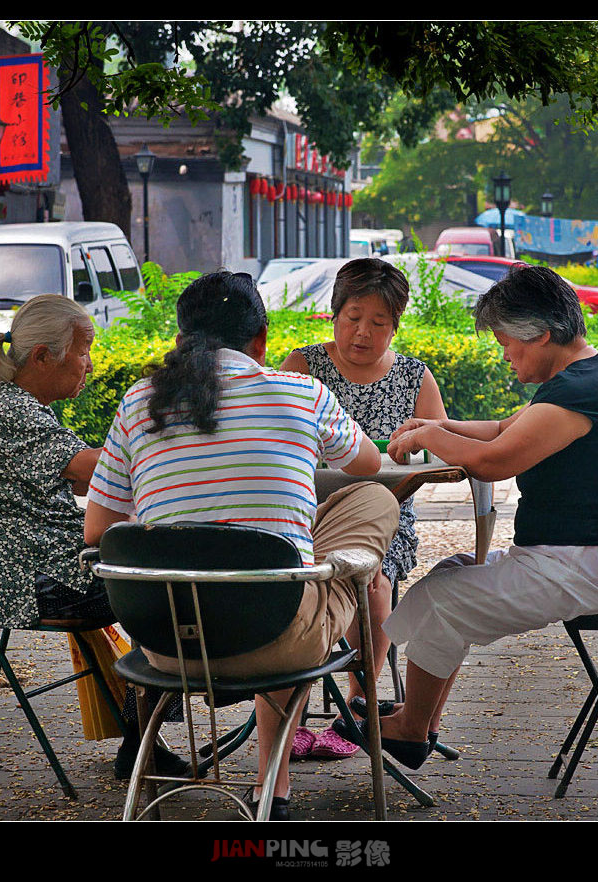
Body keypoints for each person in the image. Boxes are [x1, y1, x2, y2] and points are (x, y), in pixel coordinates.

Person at [83, 271, 399, 820]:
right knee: (371, 503)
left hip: (166, 642)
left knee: (273, 567)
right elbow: (369, 466)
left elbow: (96, 533)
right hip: (280, 637)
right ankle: (271, 789)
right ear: (262, 340)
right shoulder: (303, 393)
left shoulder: (137, 403)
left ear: (181, 340)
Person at [336, 263, 598, 770]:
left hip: (586, 566)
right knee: (452, 574)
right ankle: (420, 721)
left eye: (509, 343)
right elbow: (505, 427)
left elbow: (495, 460)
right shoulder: (581, 378)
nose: (506, 356)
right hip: (583, 561)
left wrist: (427, 436)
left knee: (445, 596)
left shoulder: (577, 394)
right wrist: (436, 423)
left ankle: (412, 728)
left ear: (543, 334)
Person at [0, 293, 186, 780]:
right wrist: (168, 444)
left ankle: (142, 734)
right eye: (83, 351)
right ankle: (140, 739)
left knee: (170, 585)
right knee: (172, 594)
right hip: (29, 579)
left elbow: (87, 480)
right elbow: (96, 467)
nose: (90, 364)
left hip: (48, 563)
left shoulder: (22, 407)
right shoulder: (10, 412)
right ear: (43, 356)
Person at [279, 257, 447, 759]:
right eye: (353, 317)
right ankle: (291, 709)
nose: (362, 333)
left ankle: (358, 705)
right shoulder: (304, 366)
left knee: (371, 582)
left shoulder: (415, 377)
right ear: (333, 314)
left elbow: (438, 454)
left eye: (378, 323)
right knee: (292, 581)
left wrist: (411, 458)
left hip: (386, 518)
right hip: (305, 514)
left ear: (396, 326)